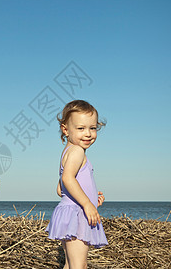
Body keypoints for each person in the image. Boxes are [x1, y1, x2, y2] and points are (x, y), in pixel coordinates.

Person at [46, 99, 108, 269]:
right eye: (81, 128)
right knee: (79, 266)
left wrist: (92, 198)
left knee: (71, 264)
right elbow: (67, 179)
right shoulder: (77, 151)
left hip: (69, 212)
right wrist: (87, 203)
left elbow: (60, 189)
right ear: (65, 129)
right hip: (76, 216)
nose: (88, 133)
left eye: (92, 128)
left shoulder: (67, 151)